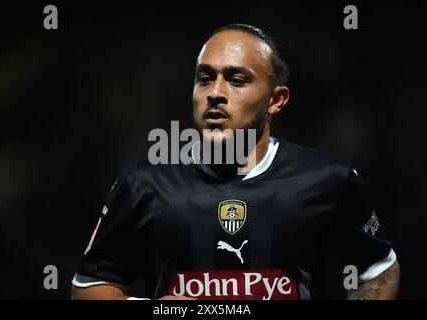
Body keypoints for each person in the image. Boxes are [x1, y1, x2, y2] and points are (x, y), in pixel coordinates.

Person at [71, 24, 399, 300]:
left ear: (276, 99)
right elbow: (88, 285)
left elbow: (378, 269)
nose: (215, 92)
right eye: (205, 78)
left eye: (236, 80)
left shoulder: (328, 179)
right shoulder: (144, 183)